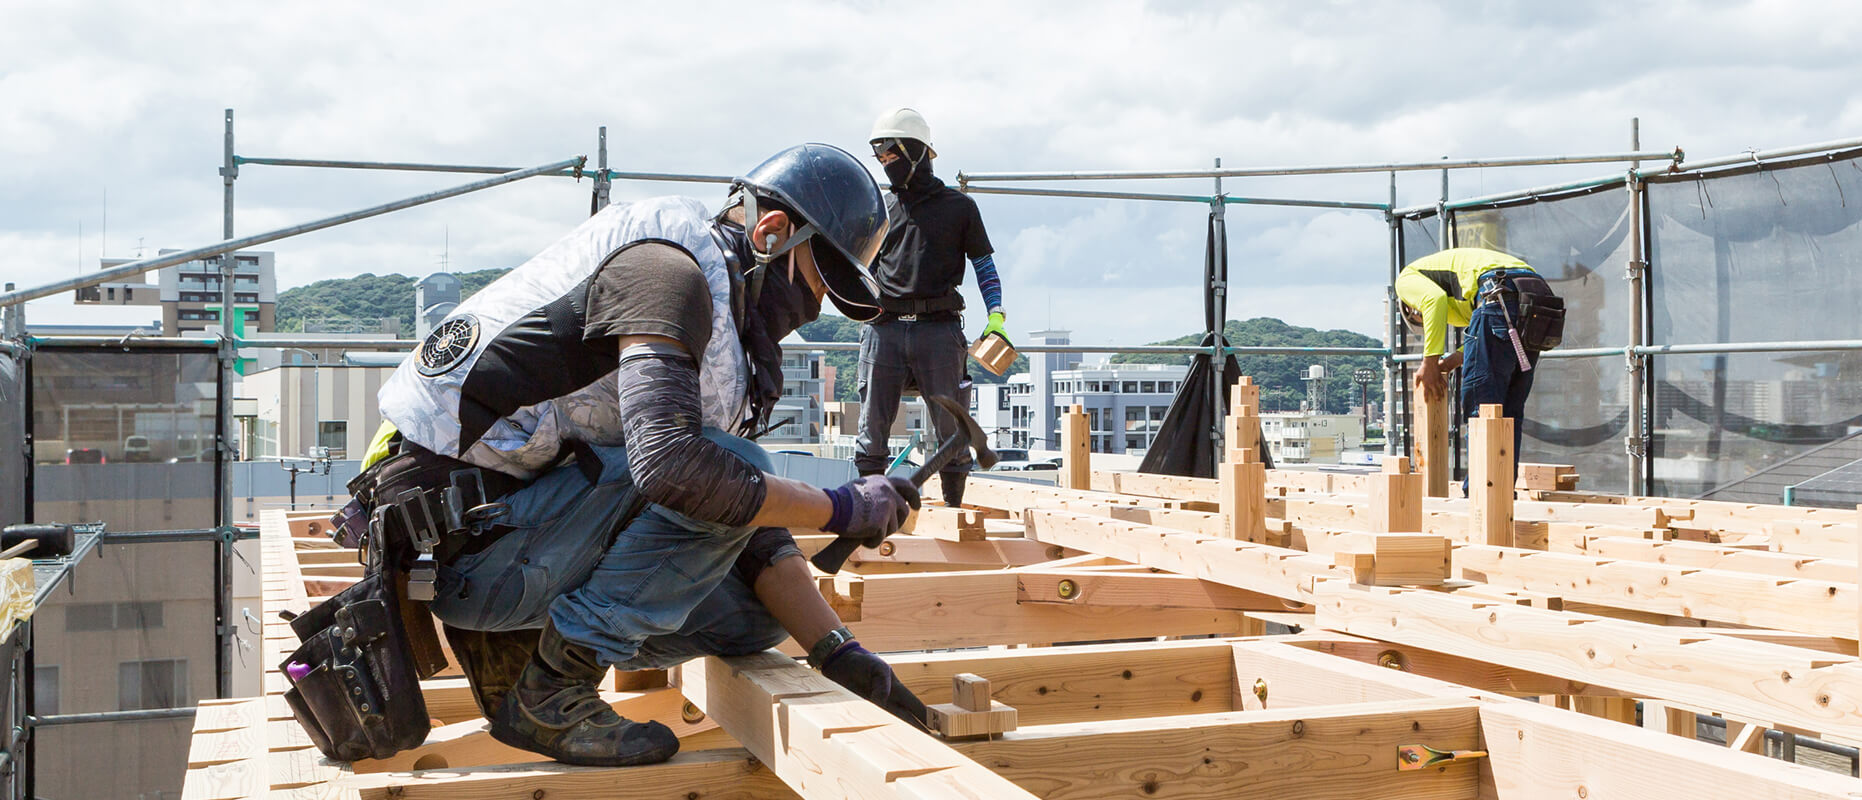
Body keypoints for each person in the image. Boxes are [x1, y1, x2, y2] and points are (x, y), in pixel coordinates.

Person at [370, 144, 927, 768]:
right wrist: (839, 507)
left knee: (753, 621)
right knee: (719, 468)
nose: (814, 310)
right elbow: (674, 466)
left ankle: (542, 657)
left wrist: (836, 652)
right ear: (772, 232)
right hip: (458, 545)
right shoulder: (668, 275)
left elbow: (748, 526)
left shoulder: (724, 320)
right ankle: (552, 689)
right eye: (819, 282)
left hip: (521, 529)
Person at [855, 107, 1007, 507]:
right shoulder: (879, 207)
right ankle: (867, 510)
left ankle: (954, 511)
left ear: (917, 151)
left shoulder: (958, 207)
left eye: (891, 154)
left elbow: (984, 266)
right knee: (872, 431)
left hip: (938, 330)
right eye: (880, 157)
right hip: (883, 327)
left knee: (952, 429)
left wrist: (996, 316)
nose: (886, 163)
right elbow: (856, 268)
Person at [1396, 246, 1547, 464]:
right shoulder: (1464, 301)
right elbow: (1484, 338)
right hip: (1535, 298)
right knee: (1508, 410)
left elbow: (1434, 300)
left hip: (1499, 291)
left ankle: (1479, 491)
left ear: (1410, 309)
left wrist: (1429, 362)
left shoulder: (1406, 280)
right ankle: (1502, 493)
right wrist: (1447, 363)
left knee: (1482, 404)